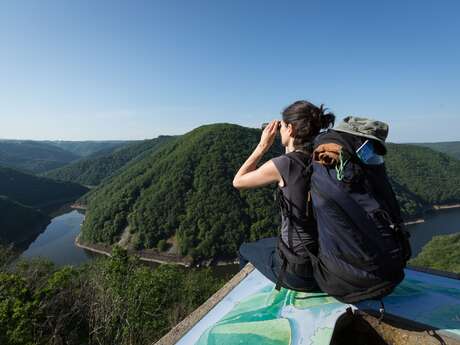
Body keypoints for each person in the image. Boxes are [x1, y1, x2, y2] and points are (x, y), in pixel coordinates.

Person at [233, 100, 335, 291]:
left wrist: (263, 145)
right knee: (269, 244)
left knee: (245, 250)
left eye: (282, 126)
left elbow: (238, 181)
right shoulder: (324, 159)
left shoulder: (284, 165)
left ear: (290, 129)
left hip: (298, 272)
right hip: (327, 266)